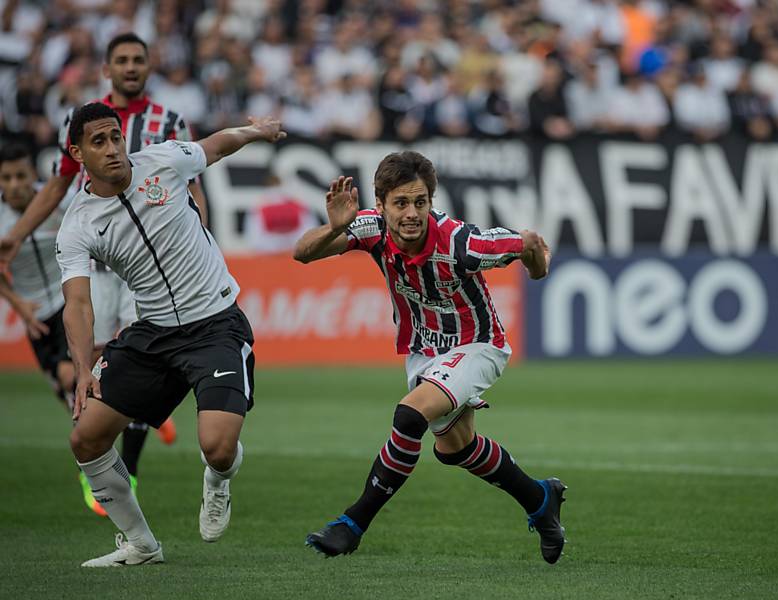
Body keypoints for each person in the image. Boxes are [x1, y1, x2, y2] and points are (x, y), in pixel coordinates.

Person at [293, 151, 567, 564]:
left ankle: (352, 524)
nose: (411, 213)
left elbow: (529, 249)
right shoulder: (369, 227)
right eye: (401, 203)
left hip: (478, 346)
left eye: (420, 202)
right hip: (425, 352)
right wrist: (335, 227)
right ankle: (539, 498)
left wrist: (535, 261)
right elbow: (303, 253)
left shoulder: (462, 243)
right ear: (381, 203)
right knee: (455, 448)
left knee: (409, 416)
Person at [57, 102, 285, 567]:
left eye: (115, 137)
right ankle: (140, 544)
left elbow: (217, 146)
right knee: (85, 438)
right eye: (98, 142)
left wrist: (256, 132)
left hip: (216, 323)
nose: (113, 149)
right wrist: (83, 368)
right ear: (77, 152)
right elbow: (78, 303)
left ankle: (218, 482)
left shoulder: (162, 160)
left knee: (218, 448)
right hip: (153, 335)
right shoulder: (78, 224)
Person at [0, 33, 208, 497]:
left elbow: (192, 191)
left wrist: (200, 245)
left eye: (139, 59)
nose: (131, 67)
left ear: (149, 67)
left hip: (150, 271)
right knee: (93, 363)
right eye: (122, 60)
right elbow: (56, 187)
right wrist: (15, 235)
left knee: (140, 357)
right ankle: (113, 442)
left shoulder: (169, 120)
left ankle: (124, 471)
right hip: (98, 264)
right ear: (107, 69)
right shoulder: (79, 124)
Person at [0, 144, 76, 425]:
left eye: (21, 176)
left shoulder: (60, 201)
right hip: (33, 311)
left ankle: (92, 461)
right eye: (6, 178)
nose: (14, 185)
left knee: (70, 377)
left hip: (69, 299)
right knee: (62, 389)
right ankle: (129, 419)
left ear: (34, 174)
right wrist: (17, 303)